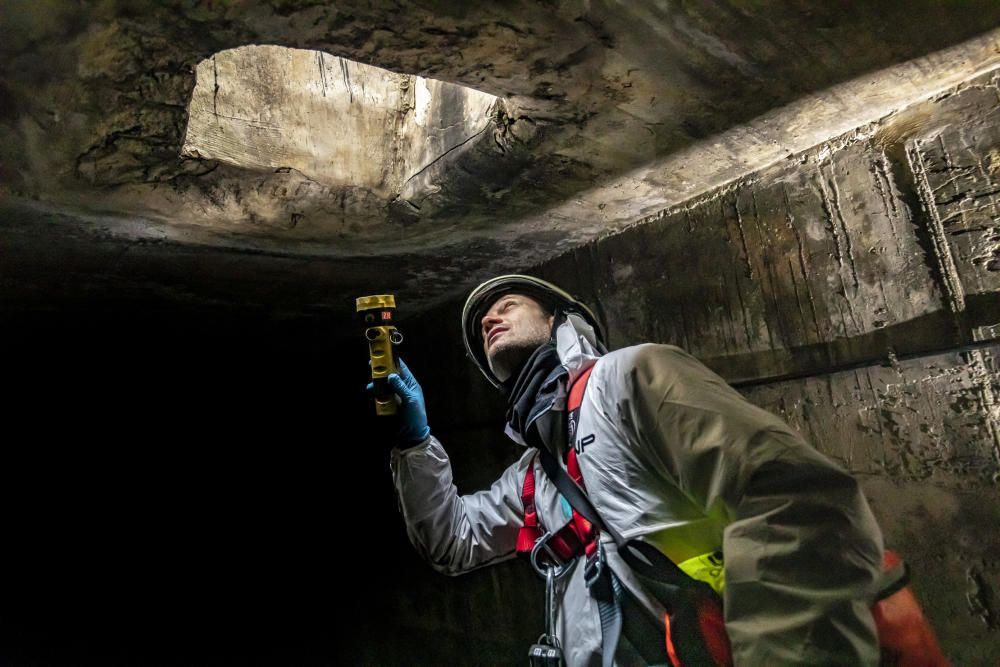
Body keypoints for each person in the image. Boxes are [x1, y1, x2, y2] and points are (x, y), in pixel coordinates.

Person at [381, 275, 885, 666]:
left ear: (561, 319)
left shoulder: (631, 378)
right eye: (483, 321)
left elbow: (791, 498)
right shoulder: (535, 471)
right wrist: (415, 441)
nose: (490, 317)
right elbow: (454, 541)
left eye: (507, 304)